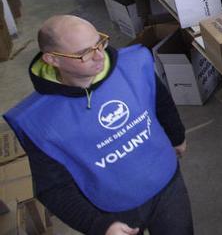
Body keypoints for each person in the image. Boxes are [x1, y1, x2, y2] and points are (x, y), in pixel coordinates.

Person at [3, 15, 193, 234]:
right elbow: (53, 188)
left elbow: (161, 101)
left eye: (99, 43)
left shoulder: (133, 65)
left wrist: (176, 136)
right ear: (52, 59)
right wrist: (100, 226)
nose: (98, 55)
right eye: (83, 53)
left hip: (167, 182)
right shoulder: (38, 121)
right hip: (112, 208)